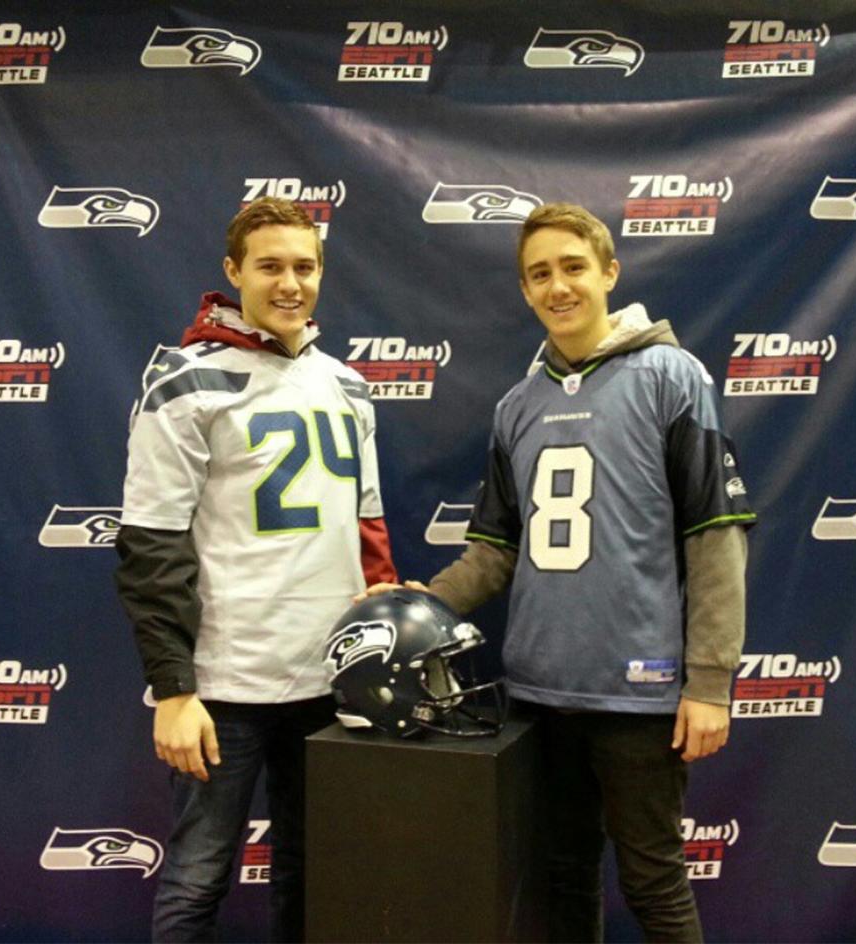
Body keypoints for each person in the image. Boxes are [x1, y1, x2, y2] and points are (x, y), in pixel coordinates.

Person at [364, 203, 756, 942]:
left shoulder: (672, 377)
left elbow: (716, 535)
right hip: (540, 692)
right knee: (562, 875)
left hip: (639, 692)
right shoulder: (518, 405)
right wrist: (428, 601)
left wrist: (709, 683)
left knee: (654, 881)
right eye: (539, 274)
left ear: (610, 272)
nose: (559, 287)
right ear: (524, 290)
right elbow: (495, 551)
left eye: (574, 267)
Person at [115, 196, 396, 943]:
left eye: (304, 266)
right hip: (226, 685)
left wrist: (381, 624)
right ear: (233, 271)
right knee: (200, 873)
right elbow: (150, 547)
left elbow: (368, 530)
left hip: (328, 679)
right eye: (269, 266)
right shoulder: (184, 379)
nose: (289, 283)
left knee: (313, 871)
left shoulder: (348, 384)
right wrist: (175, 689)